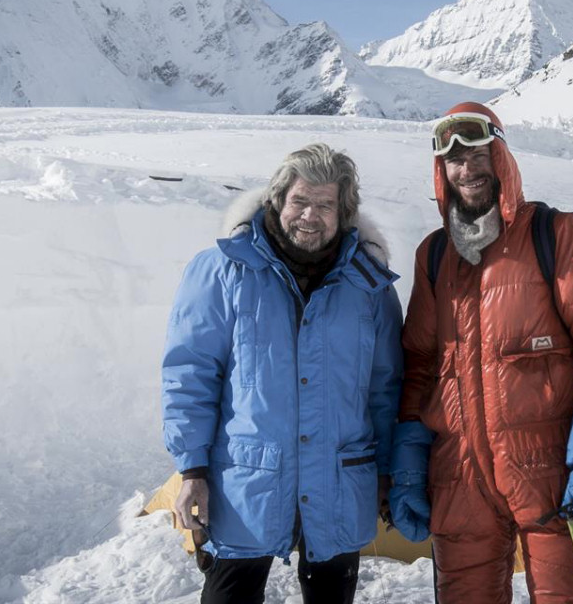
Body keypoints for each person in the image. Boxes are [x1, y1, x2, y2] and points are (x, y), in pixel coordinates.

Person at [389, 102, 573, 603]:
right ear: (442, 173)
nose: (467, 169)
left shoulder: (556, 233)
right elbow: (419, 362)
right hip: (459, 475)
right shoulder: (434, 255)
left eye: (477, 154)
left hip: (552, 467)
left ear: (500, 157)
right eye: (453, 161)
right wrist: (411, 459)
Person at [161, 143, 403, 604]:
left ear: (343, 212)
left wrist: (388, 473)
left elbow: (386, 388)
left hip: (338, 480)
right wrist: (190, 468)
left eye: (325, 205)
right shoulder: (222, 271)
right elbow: (189, 373)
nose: (310, 216)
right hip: (245, 485)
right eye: (300, 201)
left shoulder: (368, 285)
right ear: (277, 200)